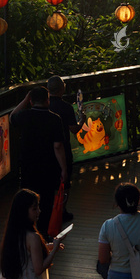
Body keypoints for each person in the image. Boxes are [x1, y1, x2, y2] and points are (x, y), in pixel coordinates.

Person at [10, 86, 67, 237]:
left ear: (30, 100)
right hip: (49, 167)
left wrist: (25, 99)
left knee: (27, 198)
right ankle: (43, 233)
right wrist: (63, 168)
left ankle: (27, 231)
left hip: (28, 165)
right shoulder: (55, 119)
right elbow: (58, 146)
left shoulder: (25, 116)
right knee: (46, 200)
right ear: (48, 100)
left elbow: (12, 116)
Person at [47, 76, 82, 222]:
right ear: (63, 89)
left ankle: (47, 211)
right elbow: (74, 129)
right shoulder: (66, 107)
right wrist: (82, 120)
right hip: (63, 148)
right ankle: (62, 211)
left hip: (45, 149)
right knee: (65, 181)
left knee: (48, 181)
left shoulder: (45, 105)